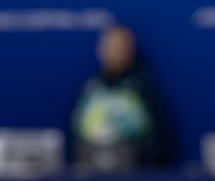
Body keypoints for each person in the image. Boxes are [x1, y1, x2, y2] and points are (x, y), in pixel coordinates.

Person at [70, 24, 164, 172]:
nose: (117, 52)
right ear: (100, 49)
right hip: (90, 172)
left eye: (122, 47)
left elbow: (157, 136)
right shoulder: (89, 87)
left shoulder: (142, 88)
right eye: (112, 47)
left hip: (135, 174)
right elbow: (75, 129)